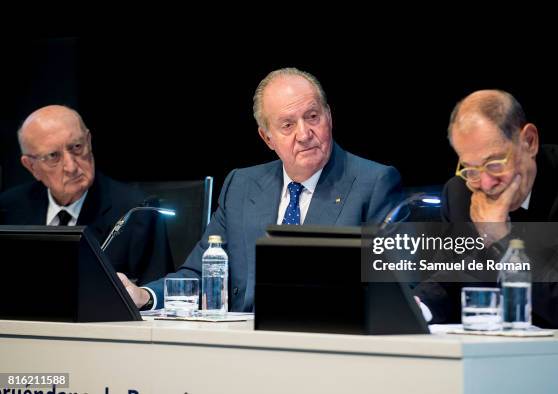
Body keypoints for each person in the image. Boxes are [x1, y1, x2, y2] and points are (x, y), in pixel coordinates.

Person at [122, 67, 407, 311]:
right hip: (244, 343)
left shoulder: (374, 183)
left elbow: (392, 285)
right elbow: (201, 272)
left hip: (325, 341)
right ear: (267, 137)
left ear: (329, 116)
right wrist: (145, 296)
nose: (304, 134)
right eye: (287, 125)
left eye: (312, 116)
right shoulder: (241, 186)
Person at [414, 89, 558, 329]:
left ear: (529, 141)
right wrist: (416, 306)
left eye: (495, 164)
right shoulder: (460, 193)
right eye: (471, 169)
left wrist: (501, 238)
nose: (486, 184)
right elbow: (450, 279)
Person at [0, 105, 174, 284]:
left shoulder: (137, 211)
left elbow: (157, 296)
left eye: (76, 147)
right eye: (53, 156)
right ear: (31, 166)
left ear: (89, 142)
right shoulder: (8, 209)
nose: (71, 167)